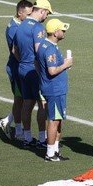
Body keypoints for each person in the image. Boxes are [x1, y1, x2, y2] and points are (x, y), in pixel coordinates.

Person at [12, 0, 52, 147]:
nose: (46, 17)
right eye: (47, 13)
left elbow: (14, 50)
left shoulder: (21, 25)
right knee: (42, 104)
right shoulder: (38, 28)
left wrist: (24, 61)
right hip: (34, 71)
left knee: (27, 103)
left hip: (22, 68)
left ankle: (27, 137)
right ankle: (42, 139)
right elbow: (39, 51)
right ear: (41, 11)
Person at [35, 19, 73, 161]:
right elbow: (51, 70)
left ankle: (55, 150)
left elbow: (37, 64)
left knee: (58, 119)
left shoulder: (44, 45)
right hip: (54, 89)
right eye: (62, 30)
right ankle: (50, 153)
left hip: (52, 87)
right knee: (54, 120)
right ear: (55, 32)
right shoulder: (50, 48)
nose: (64, 32)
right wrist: (66, 64)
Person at [0, 0, 33, 141]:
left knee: (23, 98)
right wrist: (26, 63)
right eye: (28, 14)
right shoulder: (14, 28)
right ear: (20, 13)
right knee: (21, 99)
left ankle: (8, 121)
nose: (30, 17)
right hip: (16, 68)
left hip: (20, 67)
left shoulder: (21, 24)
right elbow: (15, 50)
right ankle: (18, 130)